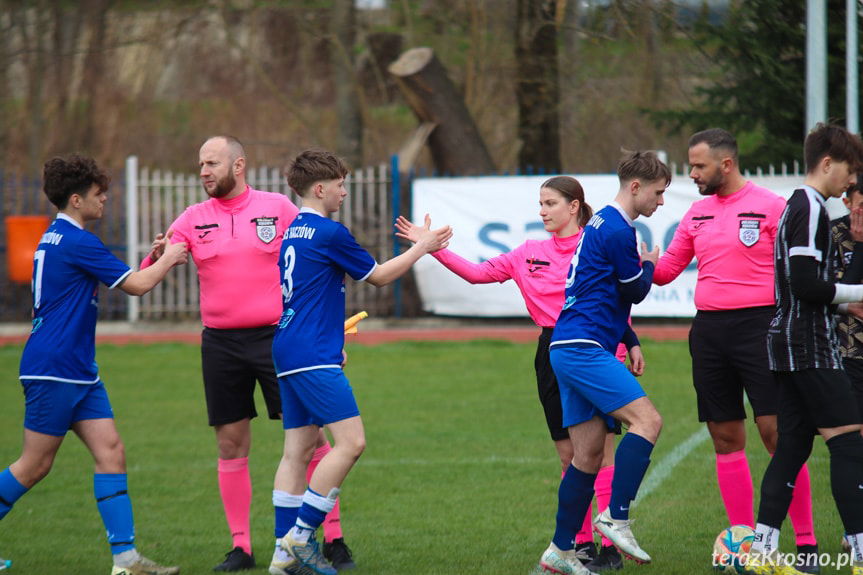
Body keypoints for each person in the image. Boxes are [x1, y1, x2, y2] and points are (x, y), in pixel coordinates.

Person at [394, 177, 630, 571]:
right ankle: (581, 544)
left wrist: (623, 348)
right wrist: (432, 248)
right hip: (551, 353)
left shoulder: (595, 246)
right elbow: (476, 274)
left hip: (595, 348)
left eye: (550, 203)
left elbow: (617, 301)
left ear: (574, 206)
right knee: (570, 456)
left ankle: (611, 548)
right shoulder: (528, 253)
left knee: (601, 452)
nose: (542, 211)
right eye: (540, 203)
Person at [144, 136, 356, 572]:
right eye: (200, 164)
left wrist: (330, 338)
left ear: (238, 165)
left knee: (313, 439)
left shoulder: (279, 208)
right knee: (230, 442)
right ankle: (241, 546)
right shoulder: (192, 218)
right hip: (220, 343)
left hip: (279, 339)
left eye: (211, 163)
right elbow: (148, 274)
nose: (203, 171)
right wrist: (157, 257)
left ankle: (331, 538)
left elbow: (319, 269)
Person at [0, 155, 188, 575]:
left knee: (111, 452)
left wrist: (152, 260)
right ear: (75, 199)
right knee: (34, 465)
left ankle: (126, 560)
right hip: (55, 368)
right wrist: (172, 257)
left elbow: (127, 278)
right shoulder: (78, 241)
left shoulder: (58, 237)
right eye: (98, 194)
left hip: (78, 369)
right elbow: (137, 287)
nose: (104, 200)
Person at [267, 149, 451, 575]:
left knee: (297, 452)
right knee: (351, 443)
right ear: (320, 189)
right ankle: (300, 537)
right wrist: (422, 247)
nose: (344, 192)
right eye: (340, 185)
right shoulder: (329, 232)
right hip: (311, 353)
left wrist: (332, 339)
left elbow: (308, 294)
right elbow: (379, 276)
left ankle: (281, 557)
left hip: (288, 347)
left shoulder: (293, 231)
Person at [652, 128, 819, 571]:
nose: (692, 173)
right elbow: (666, 271)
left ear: (726, 164)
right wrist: (641, 263)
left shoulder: (772, 206)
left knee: (777, 434)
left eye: (699, 166)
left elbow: (799, 269)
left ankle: (806, 542)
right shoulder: (696, 213)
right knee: (725, 436)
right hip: (709, 333)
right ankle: (744, 543)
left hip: (761, 327)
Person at [531, 150, 668, 575]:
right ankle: (616, 516)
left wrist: (629, 337)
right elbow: (635, 291)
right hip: (583, 347)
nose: (661, 201)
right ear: (635, 187)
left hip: (566, 345)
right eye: (658, 192)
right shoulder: (619, 230)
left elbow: (605, 292)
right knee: (648, 422)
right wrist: (650, 264)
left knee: (587, 455)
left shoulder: (601, 224)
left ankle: (560, 548)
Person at [742, 123, 863, 575]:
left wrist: (845, 305)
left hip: (788, 341)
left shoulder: (798, 204)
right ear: (827, 163)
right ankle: (860, 552)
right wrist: (857, 291)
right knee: (848, 443)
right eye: (849, 170)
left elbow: (802, 288)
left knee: (792, 448)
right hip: (808, 344)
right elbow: (806, 284)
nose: (852, 181)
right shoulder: (809, 207)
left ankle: (762, 551)